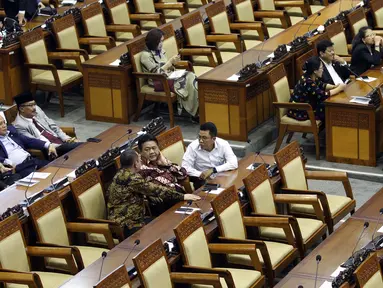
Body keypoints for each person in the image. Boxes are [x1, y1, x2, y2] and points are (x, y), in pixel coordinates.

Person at [107, 149, 200, 237]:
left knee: (166, 223)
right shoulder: (132, 178)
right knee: (166, 230)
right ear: (135, 164)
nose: (141, 162)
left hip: (133, 217)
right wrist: (182, 196)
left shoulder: (120, 174)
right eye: (139, 160)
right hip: (127, 223)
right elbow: (156, 190)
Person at [140, 28, 199, 122]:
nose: (162, 44)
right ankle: (194, 113)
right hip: (158, 81)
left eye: (162, 41)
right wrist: (170, 62)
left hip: (169, 76)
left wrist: (173, 63)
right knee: (187, 82)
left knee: (191, 76)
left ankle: (197, 109)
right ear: (154, 42)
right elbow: (156, 73)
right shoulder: (145, 56)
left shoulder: (160, 50)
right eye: (160, 41)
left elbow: (167, 67)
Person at [13, 93, 83, 157]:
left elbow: (53, 126)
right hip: (51, 148)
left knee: (85, 145)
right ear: (22, 109)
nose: (34, 108)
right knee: (82, 146)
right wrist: (51, 145)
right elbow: (33, 141)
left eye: (34, 104)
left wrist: (67, 139)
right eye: (31, 105)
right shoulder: (19, 125)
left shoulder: (37, 110)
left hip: (61, 141)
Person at [287, 56, 346, 122]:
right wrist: (339, 89)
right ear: (315, 70)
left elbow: (322, 85)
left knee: (329, 106)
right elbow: (323, 95)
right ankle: (331, 129)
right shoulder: (307, 81)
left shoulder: (311, 76)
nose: (323, 69)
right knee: (329, 108)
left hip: (309, 105)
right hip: (301, 110)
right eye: (321, 68)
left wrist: (334, 87)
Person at [182, 122, 238, 189]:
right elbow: (185, 168)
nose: (201, 141)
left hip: (220, 177)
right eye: (199, 137)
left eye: (204, 138)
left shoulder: (223, 144)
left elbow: (234, 163)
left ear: (213, 139)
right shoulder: (192, 147)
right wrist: (200, 174)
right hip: (202, 181)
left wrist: (213, 170)